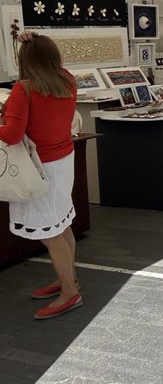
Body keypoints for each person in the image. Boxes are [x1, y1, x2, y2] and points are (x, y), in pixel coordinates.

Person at [0, 32, 82, 319]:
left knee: (51, 233)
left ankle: (70, 292)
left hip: (39, 167)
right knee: (62, 221)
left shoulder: (24, 90)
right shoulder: (67, 79)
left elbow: (11, 135)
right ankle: (68, 278)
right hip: (63, 160)